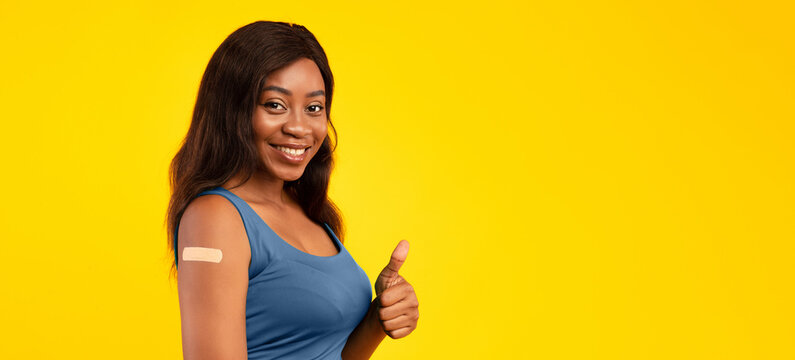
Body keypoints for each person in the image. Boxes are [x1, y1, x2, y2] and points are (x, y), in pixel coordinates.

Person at [165, 21, 419, 359]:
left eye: (314, 108)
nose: (299, 127)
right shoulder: (214, 219)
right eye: (274, 105)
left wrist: (378, 319)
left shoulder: (307, 210)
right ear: (231, 110)